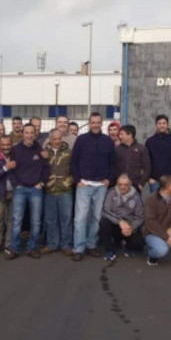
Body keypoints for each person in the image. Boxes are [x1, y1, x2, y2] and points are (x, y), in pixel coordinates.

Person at [70, 112, 116, 261]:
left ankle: (91, 245)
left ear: (102, 124)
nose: (96, 124)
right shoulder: (81, 140)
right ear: (89, 123)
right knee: (80, 218)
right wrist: (78, 180)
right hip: (84, 184)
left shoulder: (107, 141)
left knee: (96, 218)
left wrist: (109, 179)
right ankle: (78, 248)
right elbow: (73, 161)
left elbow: (113, 162)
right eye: (93, 122)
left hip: (101, 185)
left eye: (98, 122)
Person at [7, 124, 50, 260]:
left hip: (35, 190)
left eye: (32, 133)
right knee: (17, 220)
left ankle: (32, 248)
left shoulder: (40, 150)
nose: (29, 135)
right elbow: (11, 169)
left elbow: (46, 169)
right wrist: (16, 184)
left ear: (35, 134)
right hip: (20, 189)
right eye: (27, 132)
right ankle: (14, 249)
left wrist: (41, 182)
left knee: (36, 221)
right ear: (23, 134)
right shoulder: (15, 150)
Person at [41, 129, 74, 255]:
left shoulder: (69, 152)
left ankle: (66, 244)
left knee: (66, 219)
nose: (57, 141)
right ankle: (52, 244)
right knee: (50, 219)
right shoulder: (44, 153)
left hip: (65, 190)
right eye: (54, 139)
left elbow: (74, 169)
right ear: (50, 139)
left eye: (59, 138)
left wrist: (69, 181)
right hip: (49, 190)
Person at [99, 174, 144, 261]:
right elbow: (105, 211)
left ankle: (128, 246)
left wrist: (131, 227)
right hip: (115, 223)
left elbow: (140, 217)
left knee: (138, 243)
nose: (122, 187)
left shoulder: (136, 197)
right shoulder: (111, 192)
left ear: (130, 184)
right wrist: (120, 222)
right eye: (120, 184)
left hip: (129, 225)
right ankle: (110, 250)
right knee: (103, 223)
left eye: (125, 185)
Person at [145, 115, 171, 195]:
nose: (162, 125)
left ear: (167, 124)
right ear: (156, 125)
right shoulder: (150, 142)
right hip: (155, 181)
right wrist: (149, 178)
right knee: (155, 206)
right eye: (159, 123)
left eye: (164, 123)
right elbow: (146, 161)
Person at [115, 124, 151, 191]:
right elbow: (113, 167)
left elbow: (147, 168)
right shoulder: (117, 149)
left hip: (135, 186)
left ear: (130, 135)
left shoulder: (141, 149)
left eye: (122, 134)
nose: (120, 136)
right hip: (120, 186)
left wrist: (141, 184)